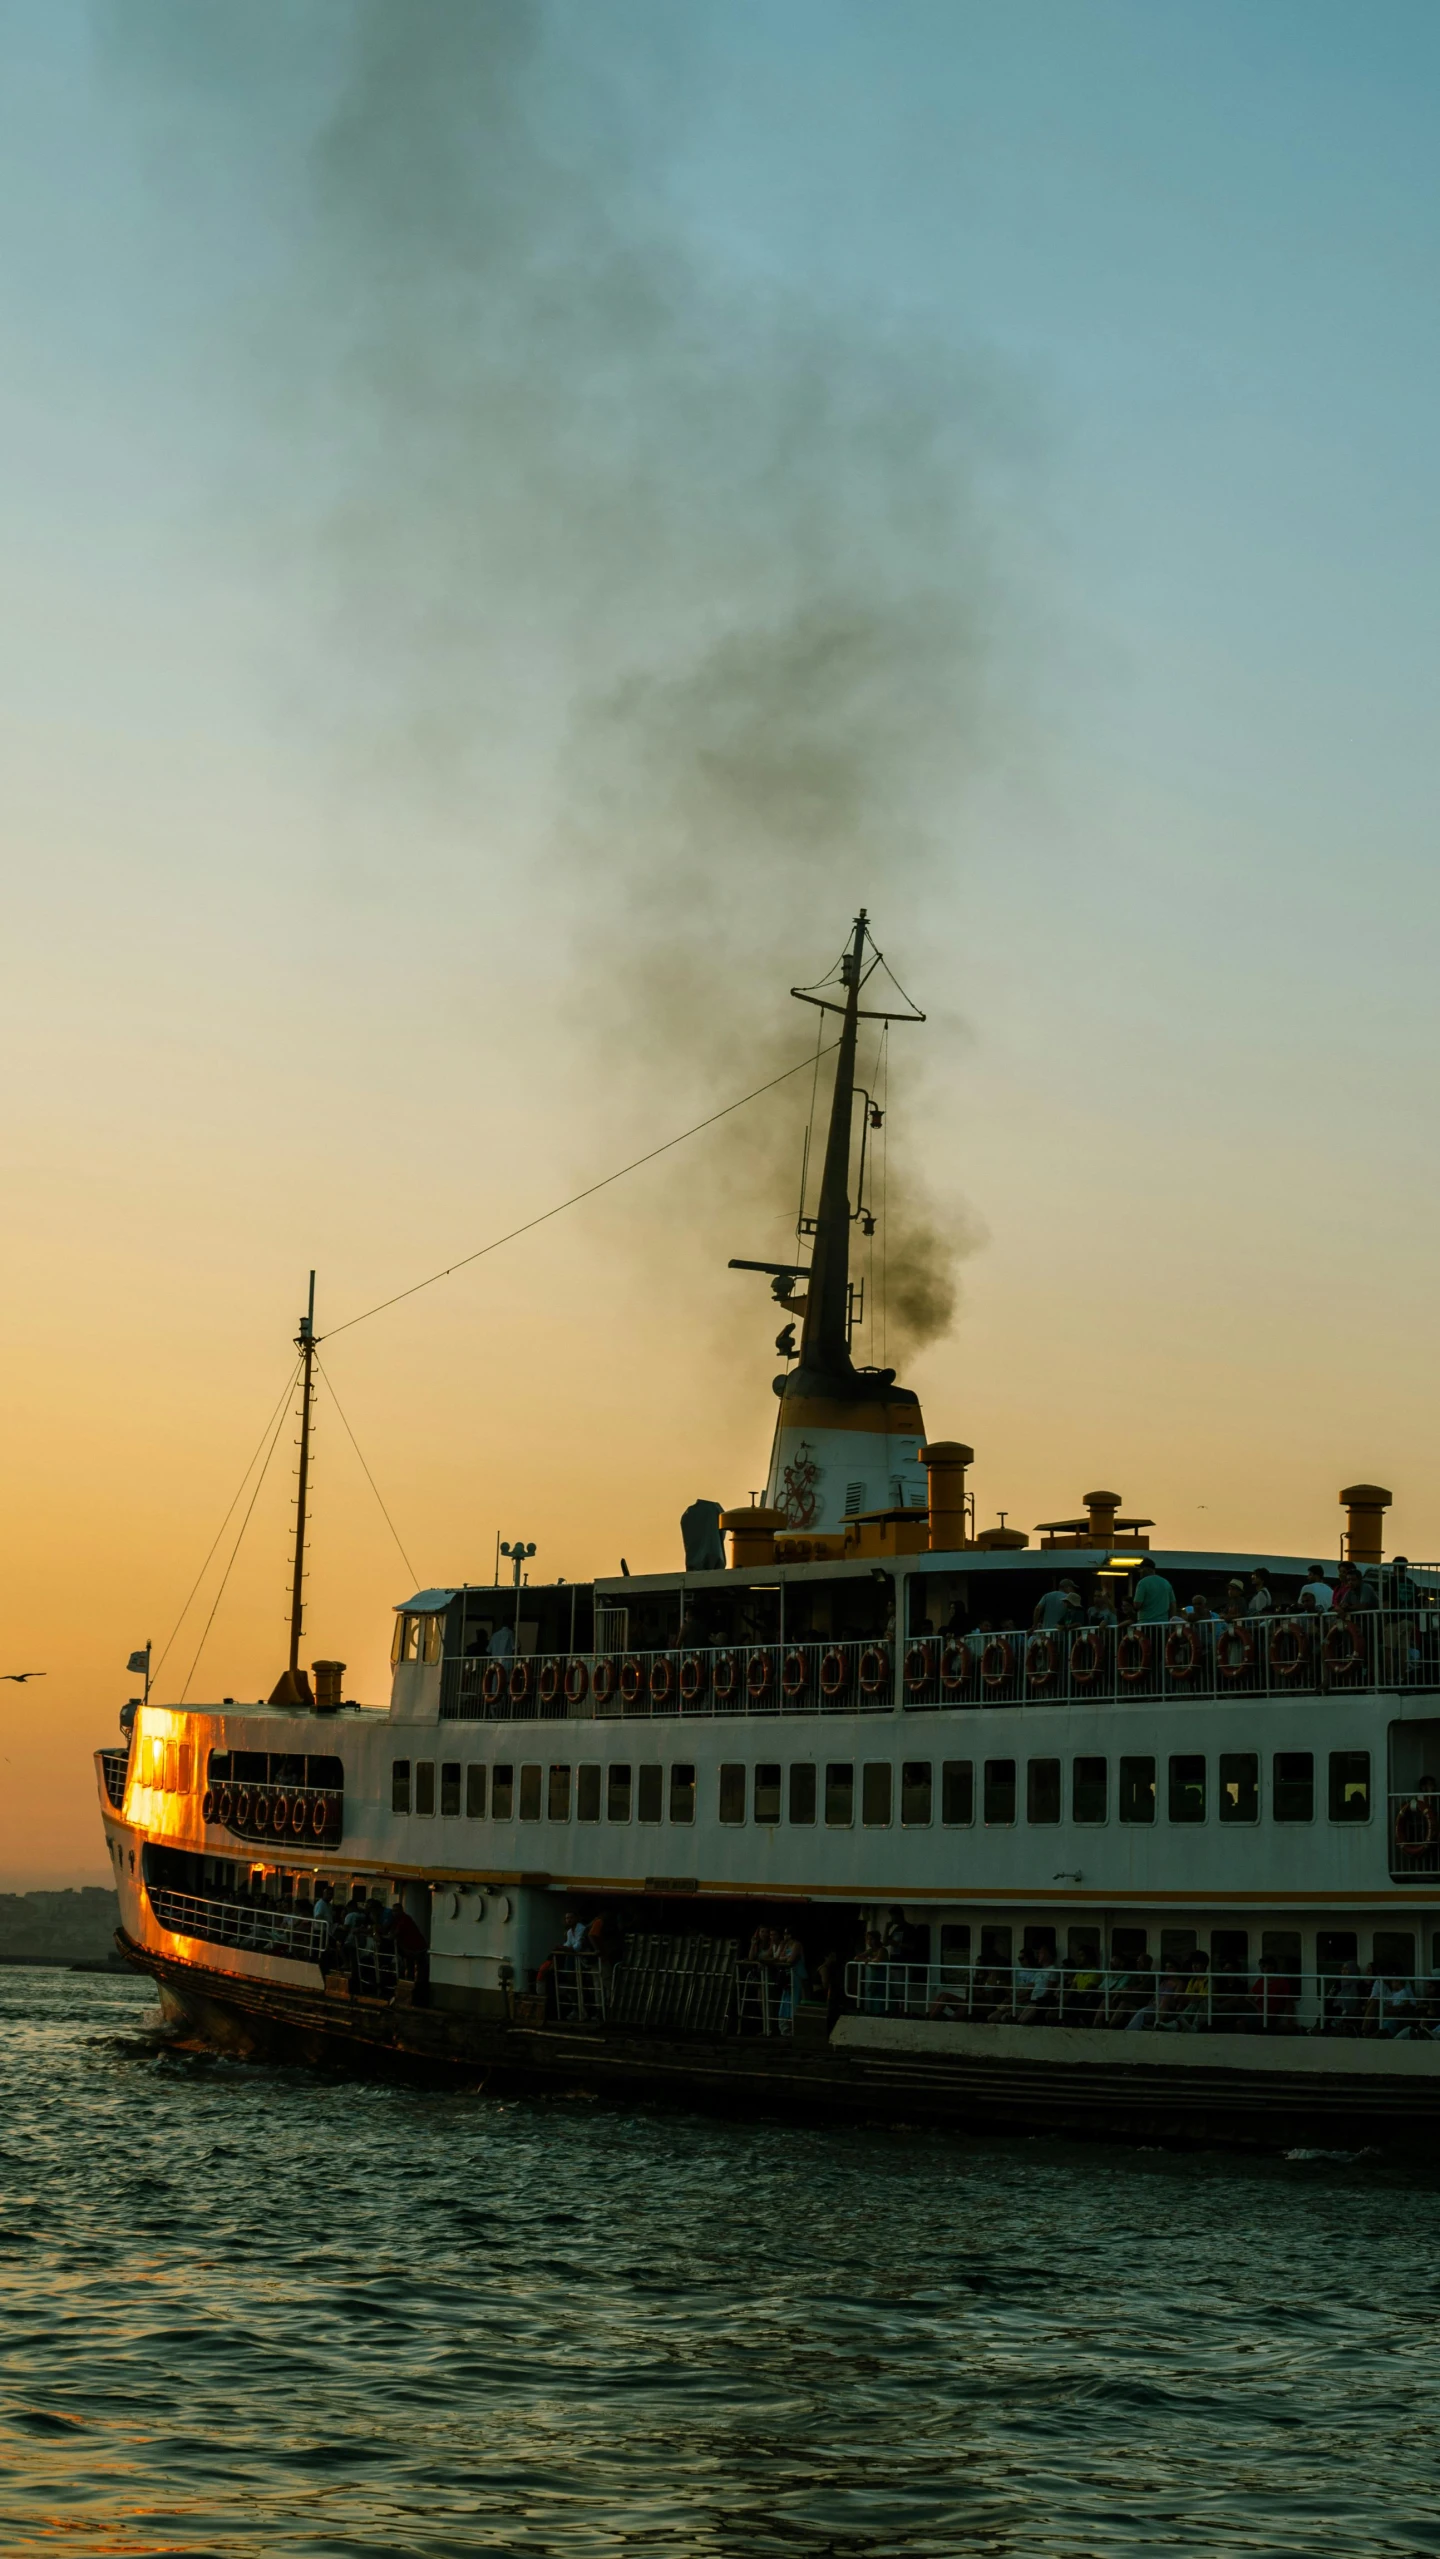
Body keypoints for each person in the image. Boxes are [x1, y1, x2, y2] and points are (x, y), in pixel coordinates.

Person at [1133, 1559, 1176, 1624]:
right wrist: (1171, 1622)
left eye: (1141, 1568)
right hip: (1163, 1624)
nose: (1139, 1571)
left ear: (1147, 1569)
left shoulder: (1143, 1582)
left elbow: (1137, 1605)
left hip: (1146, 1623)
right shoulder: (1166, 1583)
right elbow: (1173, 1605)